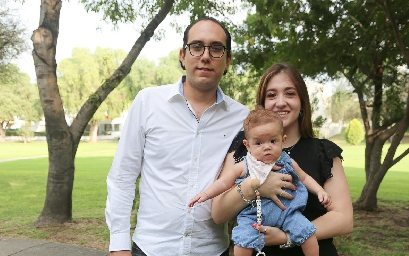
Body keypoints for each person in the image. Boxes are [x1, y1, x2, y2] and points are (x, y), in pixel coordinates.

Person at [105, 17, 249, 256]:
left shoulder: (241, 118)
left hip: (213, 250)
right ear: (183, 55)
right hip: (151, 249)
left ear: (228, 60)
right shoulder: (148, 102)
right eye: (196, 46)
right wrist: (119, 245)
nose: (205, 56)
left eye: (216, 48)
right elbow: (123, 176)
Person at [211, 62, 353, 255]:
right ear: (262, 104)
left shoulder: (323, 152)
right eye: (271, 95)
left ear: (302, 101)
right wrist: (255, 186)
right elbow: (218, 214)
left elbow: (344, 219)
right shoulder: (243, 147)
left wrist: (287, 236)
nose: (280, 102)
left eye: (290, 93)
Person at [189, 108, 331, 256]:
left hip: (287, 213)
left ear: (283, 140)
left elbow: (305, 178)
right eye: (259, 143)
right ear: (247, 145)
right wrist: (206, 194)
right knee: (242, 241)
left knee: (308, 234)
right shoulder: (244, 166)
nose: (267, 147)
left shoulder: (288, 161)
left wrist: (320, 190)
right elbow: (224, 183)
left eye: (273, 141)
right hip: (252, 217)